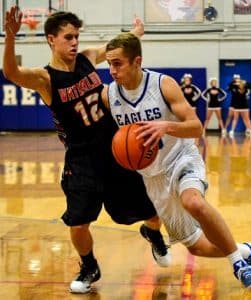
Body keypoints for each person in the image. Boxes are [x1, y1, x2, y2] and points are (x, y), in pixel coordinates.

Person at [3, 6, 170, 294]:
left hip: (116, 148)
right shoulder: (45, 78)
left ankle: (152, 234)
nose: (74, 42)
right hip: (80, 157)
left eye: (77, 36)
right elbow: (11, 72)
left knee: (151, 213)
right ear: (51, 39)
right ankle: (89, 265)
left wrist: (137, 32)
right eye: (68, 37)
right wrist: (10, 37)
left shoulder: (87, 59)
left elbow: (114, 47)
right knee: (78, 222)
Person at [101, 32, 251, 289]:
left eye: (117, 63)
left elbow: (196, 127)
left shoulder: (162, 85)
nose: (111, 70)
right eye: (109, 64)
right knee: (198, 247)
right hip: (153, 176)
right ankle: (246, 250)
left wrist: (166, 126)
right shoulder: (108, 95)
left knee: (193, 202)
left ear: (137, 61)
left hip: (181, 157)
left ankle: (239, 265)